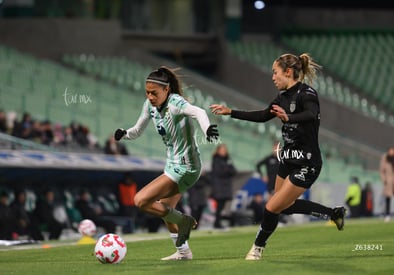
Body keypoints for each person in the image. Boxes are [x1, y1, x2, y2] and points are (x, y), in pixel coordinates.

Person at [210, 53, 346, 260]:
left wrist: (288, 117)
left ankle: (257, 248)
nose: (273, 77)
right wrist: (231, 112)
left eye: (275, 72)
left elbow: (311, 114)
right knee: (286, 207)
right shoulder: (281, 97)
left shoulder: (307, 93)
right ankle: (333, 213)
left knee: (272, 206)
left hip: (307, 162)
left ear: (288, 72)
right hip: (288, 159)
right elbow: (264, 116)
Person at [114, 66, 219, 260]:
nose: (150, 96)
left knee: (141, 200)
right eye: (147, 92)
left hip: (187, 167)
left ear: (167, 89)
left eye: (154, 93)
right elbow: (138, 130)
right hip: (172, 165)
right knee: (165, 210)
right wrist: (125, 134)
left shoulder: (176, 103)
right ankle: (183, 252)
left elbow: (198, 111)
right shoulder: (149, 105)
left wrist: (207, 129)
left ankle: (184, 221)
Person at [210, 144, 237, 229]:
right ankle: (217, 223)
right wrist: (228, 170)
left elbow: (234, 171)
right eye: (222, 150)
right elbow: (219, 172)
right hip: (219, 187)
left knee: (222, 205)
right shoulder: (216, 160)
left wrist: (227, 169)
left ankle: (217, 222)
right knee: (220, 205)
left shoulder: (228, 160)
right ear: (218, 151)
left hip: (225, 186)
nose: (224, 151)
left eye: (225, 150)